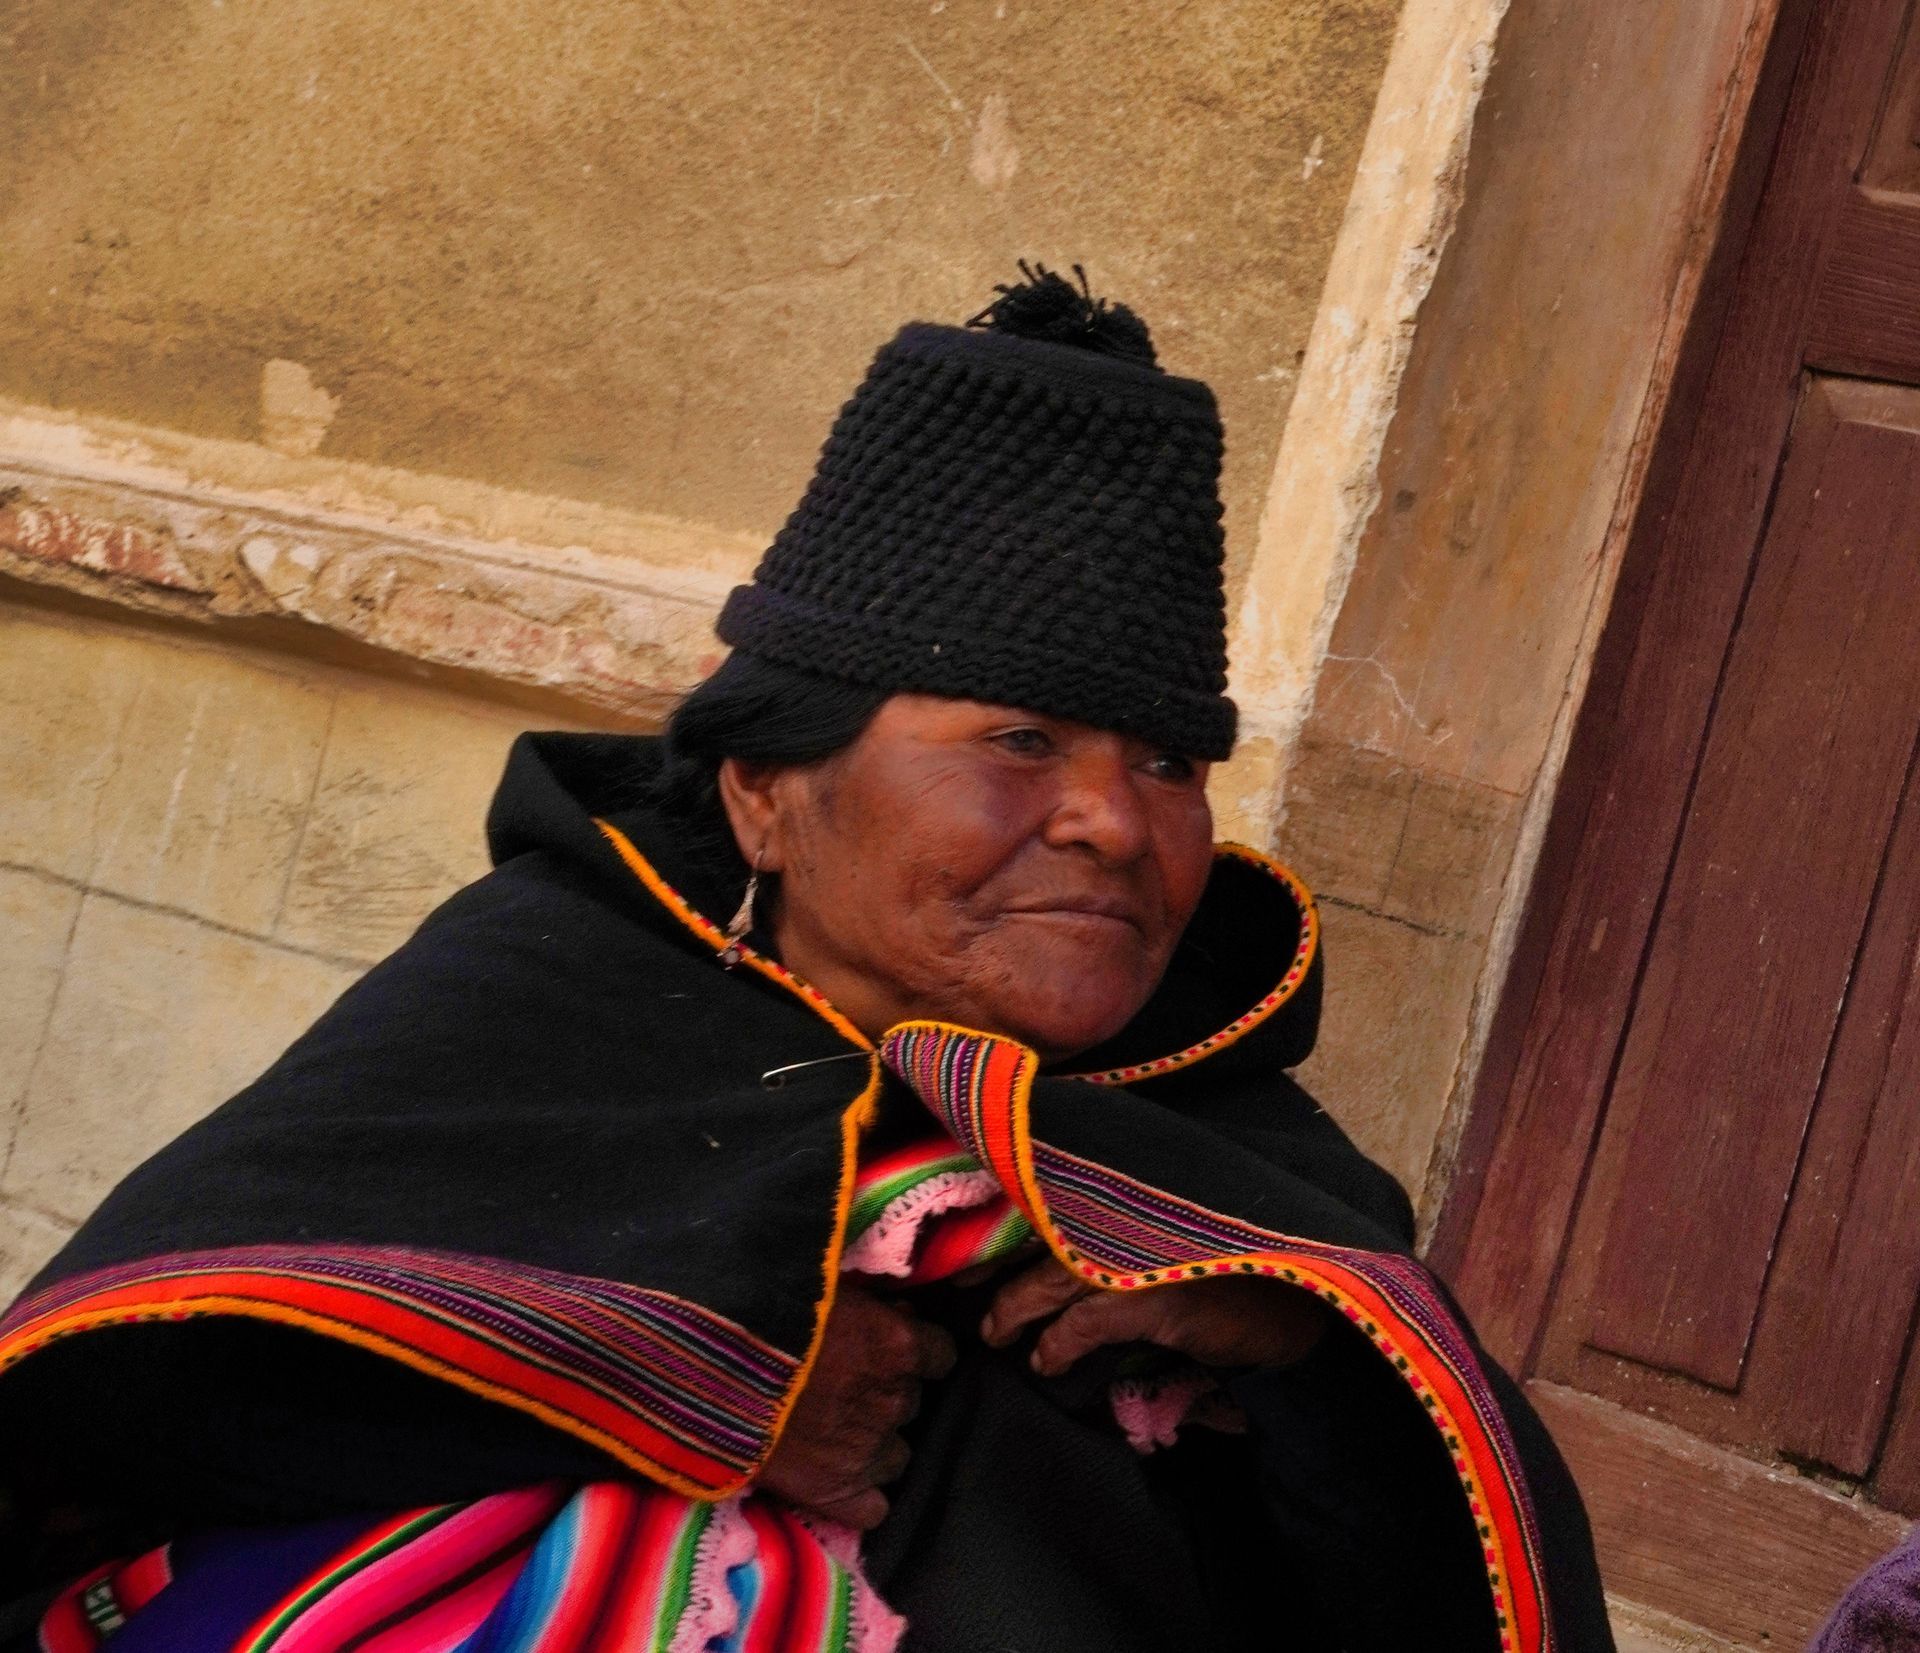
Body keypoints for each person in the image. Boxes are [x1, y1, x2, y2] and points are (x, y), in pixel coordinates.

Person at [0, 268, 1614, 1652]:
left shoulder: (1231, 1163)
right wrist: (698, 1382)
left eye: (1172, 765)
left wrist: (1309, 1365)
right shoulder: (541, 1005)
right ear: (765, 790)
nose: (1118, 824)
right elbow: (130, 1394)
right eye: (1022, 740)